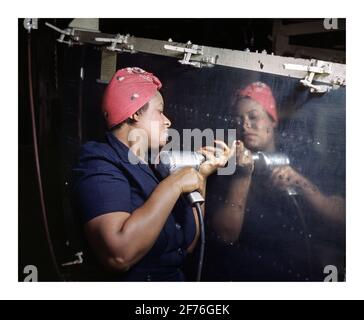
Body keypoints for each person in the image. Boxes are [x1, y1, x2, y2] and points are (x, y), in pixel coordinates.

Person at [72, 67, 230, 281]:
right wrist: (173, 185)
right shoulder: (99, 162)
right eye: (159, 111)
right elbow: (118, 255)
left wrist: (201, 176)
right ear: (135, 112)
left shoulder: (149, 167)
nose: (168, 121)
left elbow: (188, 245)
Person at [205, 81, 345, 281]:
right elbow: (225, 235)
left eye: (253, 116)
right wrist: (242, 176)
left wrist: (301, 183)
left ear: (273, 120)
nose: (245, 124)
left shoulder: (302, 158)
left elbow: (343, 220)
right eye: (238, 119)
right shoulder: (226, 167)